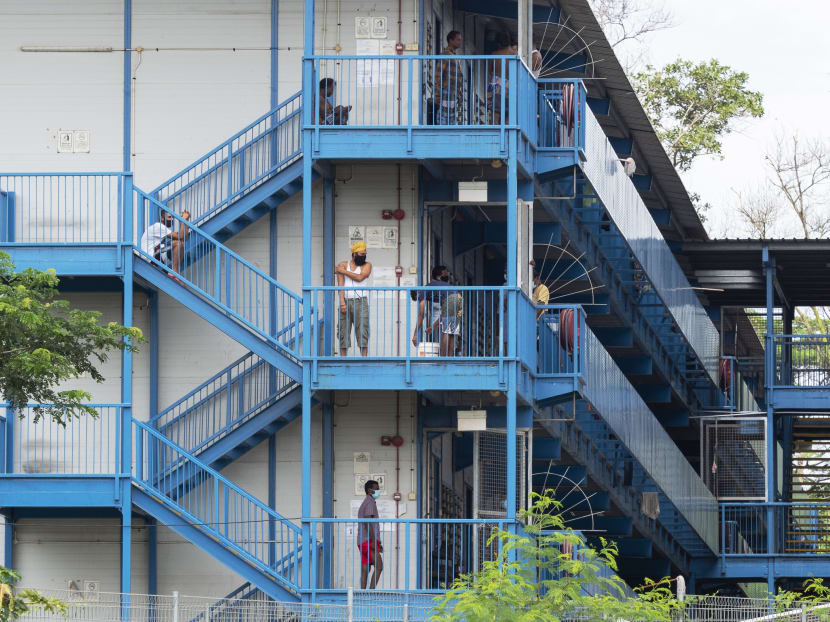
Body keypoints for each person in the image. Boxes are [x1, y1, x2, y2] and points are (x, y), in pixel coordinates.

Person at [412, 265, 461, 356]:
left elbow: (421, 315)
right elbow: (444, 314)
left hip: (451, 299)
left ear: (417, 293)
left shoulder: (423, 291)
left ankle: (442, 360)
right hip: (458, 298)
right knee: (452, 332)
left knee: (446, 332)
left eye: (417, 299)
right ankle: (448, 360)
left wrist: (415, 334)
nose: (419, 300)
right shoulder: (437, 289)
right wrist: (433, 326)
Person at [336, 241, 372, 356]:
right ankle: (343, 360)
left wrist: (344, 271)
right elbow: (340, 284)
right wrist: (342, 302)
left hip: (361, 301)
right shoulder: (343, 264)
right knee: (343, 330)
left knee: (362, 330)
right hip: (346, 300)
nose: (364, 256)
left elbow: (360, 277)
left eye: (365, 254)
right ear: (354, 254)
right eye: (361, 254)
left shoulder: (367, 265)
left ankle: (364, 360)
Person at [139, 209, 191, 273]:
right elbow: (180, 236)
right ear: (162, 218)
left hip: (155, 254)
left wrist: (186, 221)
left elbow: (184, 238)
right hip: (149, 257)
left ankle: (175, 272)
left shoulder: (162, 228)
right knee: (178, 244)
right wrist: (183, 220)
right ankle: (175, 272)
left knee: (181, 244)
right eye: (169, 217)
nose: (172, 219)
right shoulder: (158, 226)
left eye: (172, 217)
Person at [433, 30, 464, 125]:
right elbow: (438, 74)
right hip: (446, 90)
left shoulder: (454, 56)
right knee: (444, 117)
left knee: (451, 118)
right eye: (458, 40)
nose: (460, 42)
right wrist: (438, 93)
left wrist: (459, 92)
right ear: (451, 40)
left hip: (453, 92)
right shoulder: (446, 54)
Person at [357, 479, 383, 589]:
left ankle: (362, 594)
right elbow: (368, 523)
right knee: (379, 566)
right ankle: (371, 592)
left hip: (362, 541)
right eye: (376, 489)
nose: (378, 491)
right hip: (368, 541)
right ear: (369, 491)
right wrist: (373, 541)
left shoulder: (366, 502)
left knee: (365, 568)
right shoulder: (370, 502)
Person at [487, 33, 515, 124]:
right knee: (508, 113)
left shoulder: (494, 54)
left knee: (495, 112)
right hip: (510, 84)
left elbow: (489, 70)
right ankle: (507, 135)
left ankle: (493, 135)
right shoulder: (515, 54)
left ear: (499, 42)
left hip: (496, 83)